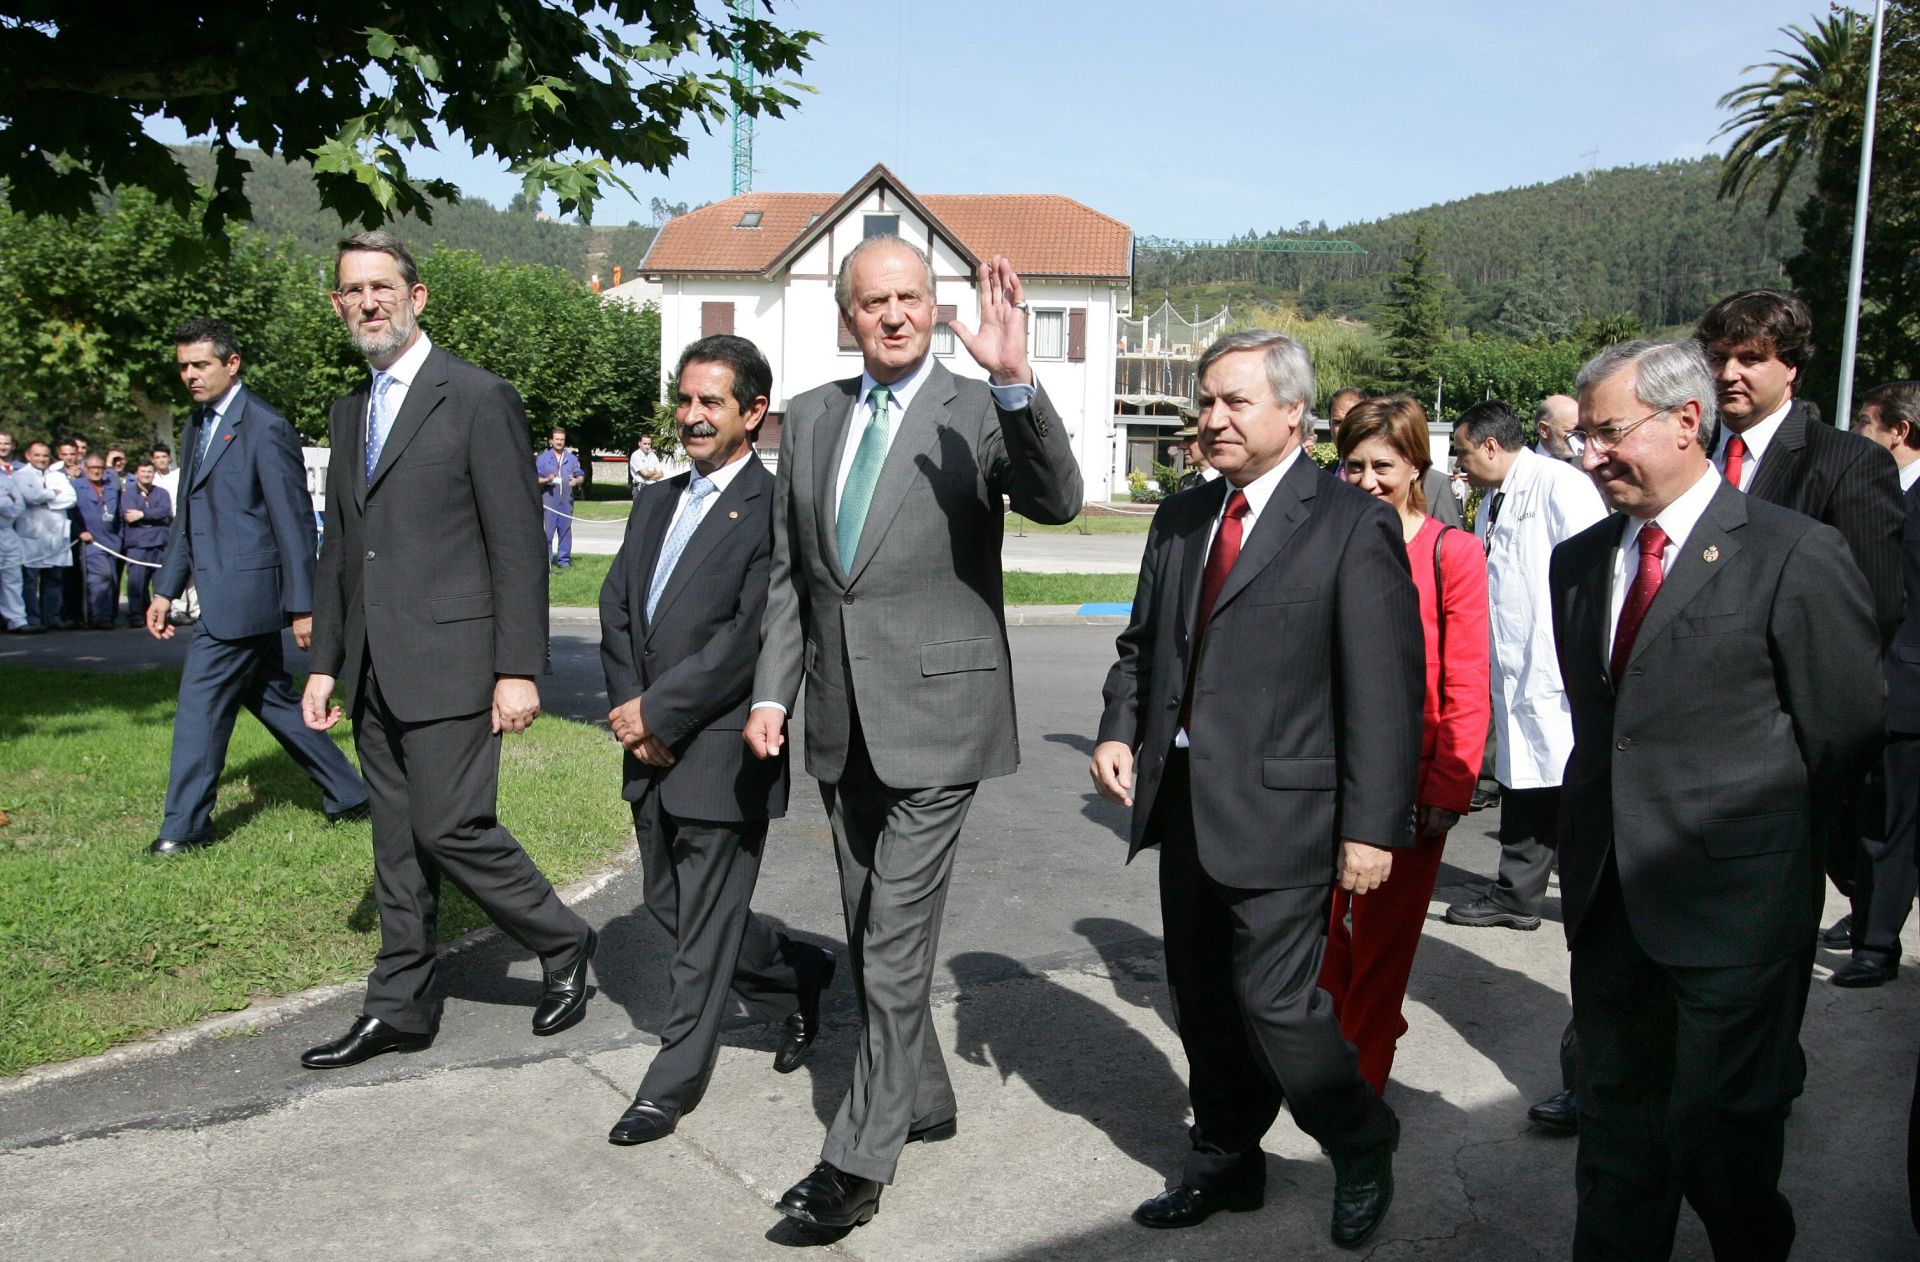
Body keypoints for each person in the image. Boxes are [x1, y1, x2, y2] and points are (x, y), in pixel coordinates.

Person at [742, 237, 1082, 1230]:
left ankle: (858, 1157)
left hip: (941, 715)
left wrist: (1016, 381)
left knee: (890, 941)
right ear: (847, 316)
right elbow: (790, 578)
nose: (893, 314)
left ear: (934, 307)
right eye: (873, 301)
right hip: (843, 720)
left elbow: (1057, 500)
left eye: (910, 297)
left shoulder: (976, 409)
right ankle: (926, 1096)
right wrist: (774, 693)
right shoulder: (808, 419)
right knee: (865, 928)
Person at [1552, 339, 1881, 1259]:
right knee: (1617, 1140)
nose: (1592, 456)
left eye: (1610, 433)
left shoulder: (1793, 553)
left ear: (1686, 421)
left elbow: (1843, 731)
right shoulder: (1579, 562)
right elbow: (1602, 724)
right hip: (1614, 902)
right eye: (1585, 438)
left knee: (1722, 1139)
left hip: (1737, 912)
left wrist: (1768, 855)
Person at [1092, 330, 1420, 1248]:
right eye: (1206, 402)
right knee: (1200, 997)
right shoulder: (1185, 516)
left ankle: (1359, 1137)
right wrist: (1121, 728)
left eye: (1236, 402)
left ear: (1293, 413)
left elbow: (1386, 689)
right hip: (1184, 798)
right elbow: (1142, 648)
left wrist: (1371, 829)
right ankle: (1228, 1158)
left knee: (1278, 1003)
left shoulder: (1350, 521)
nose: (1213, 420)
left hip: (1291, 812)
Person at [300, 230, 596, 1067]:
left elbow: (516, 543)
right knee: (396, 846)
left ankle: (565, 940)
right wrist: (325, 660)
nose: (368, 302)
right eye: (352, 290)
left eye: (382, 287)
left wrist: (518, 669)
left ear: (416, 297)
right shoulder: (349, 409)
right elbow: (341, 548)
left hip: (456, 663)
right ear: (338, 305)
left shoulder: (476, 397)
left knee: (451, 827)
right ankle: (399, 1007)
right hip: (369, 670)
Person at [598, 333, 836, 1147]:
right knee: (669, 906)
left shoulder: (775, 510)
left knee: (699, 935)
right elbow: (617, 608)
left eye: (711, 403)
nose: (692, 417)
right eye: (686, 400)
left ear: (753, 412)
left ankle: (669, 1086)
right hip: (648, 744)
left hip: (722, 749)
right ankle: (796, 975)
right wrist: (632, 709)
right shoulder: (656, 499)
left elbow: (749, 637)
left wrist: (663, 714)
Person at [1697, 289, 1904, 944]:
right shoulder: (1682, 453)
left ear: (1790, 366)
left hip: (1776, 752)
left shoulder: (1844, 464)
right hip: (1676, 743)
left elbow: (1872, 614)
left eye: (1750, 358)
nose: (1729, 372)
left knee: (1757, 955)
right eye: (1720, 356)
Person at [145, 318, 369, 857]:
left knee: (199, 710)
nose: (190, 376)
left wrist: (303, 607)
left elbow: (293, 523)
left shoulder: (265, 425)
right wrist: (164, 589)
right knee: (270, 697)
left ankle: (184, 828)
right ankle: (349, 791)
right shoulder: (197, 425)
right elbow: (188, 518)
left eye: (201, 365)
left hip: (246, 601)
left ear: (232, 363)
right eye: (183, 367)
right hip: (221, 595)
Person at [1319, 395, 1490, 1093]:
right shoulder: (1325, 538)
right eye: (1352, 465)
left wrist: (1449, 788)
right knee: (1322, 940)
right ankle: (1335, 1053)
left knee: (1383, 949)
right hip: (1323, 776)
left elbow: (1468, 680)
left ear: (1417, 463)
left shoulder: (1454, 551)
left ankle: (1362, 1091)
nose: (1365, 480)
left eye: (1381, 466)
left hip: (1409, 789)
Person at [1444, 401, 1605, 933]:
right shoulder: (1494, 497)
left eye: (1465, 453)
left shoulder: (1560, 485)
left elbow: (1591, 572)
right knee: (1526, 783)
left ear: (1491, 445)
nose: (1461, 466)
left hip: (1555, 667)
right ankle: (1518, 895)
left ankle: (1579, 897)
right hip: (1515, 668)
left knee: (1565, 784)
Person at [1841, 380, 1920, 988]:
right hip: (1881, 681)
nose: (1858, 435)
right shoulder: (1882, 494)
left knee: (1887, 826)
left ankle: (1876, 945)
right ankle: (1869, 918)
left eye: (1866, 424)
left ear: (1899, 431)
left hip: (1907, 686)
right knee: (1870, 820)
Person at [17, 440, 74, 631]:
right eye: (37, 455)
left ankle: (52, 617)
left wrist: (46, 500)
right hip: (31, 537)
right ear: (28, 456)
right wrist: (53, 494)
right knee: (30, 581)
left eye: (45, 455)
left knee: (54, 579)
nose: (42, 459)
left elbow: (71, 498)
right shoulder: (20, 476)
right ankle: (33, 618)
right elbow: (30, 497)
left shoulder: (57, 476)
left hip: (55, 538)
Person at [69, 454, 121, 628]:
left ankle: (109, 614)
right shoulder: (76, 486)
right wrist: (79, 532)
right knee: (101, 575)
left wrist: (121, 537)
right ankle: (98, 616)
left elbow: (119, 515)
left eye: (99, 468)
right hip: (90, 542)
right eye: (92, 468)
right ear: (85, 469)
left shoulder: (112, 487)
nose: (96, 471)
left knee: (112, 579)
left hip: (112, 542)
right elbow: (70, 513)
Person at [120, 457, 173, 623]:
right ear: (136, 473)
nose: (146, 475)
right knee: (137, 583)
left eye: (149, 471)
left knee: (160, 584)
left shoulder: (162, 493)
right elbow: (129, 516)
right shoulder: (128, 494)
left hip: (159, 544)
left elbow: (165, 512)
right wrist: (153, 516)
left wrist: (142, 514)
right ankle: (136, 615)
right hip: (138, 546)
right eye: (143, 471)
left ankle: (159, 615)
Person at [536, 426, 584, 569]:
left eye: (562, 440)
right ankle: (547, 561)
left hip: (566, 500)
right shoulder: (543, 458)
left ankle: (564, 561)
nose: (559, 442)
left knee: (565, 531)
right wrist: (547, 479)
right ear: (551, 440)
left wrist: (577, 481)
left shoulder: (571, 458)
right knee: (548, 532)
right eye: (557, 439)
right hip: (550, 500)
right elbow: (535, 479)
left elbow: (580, 475)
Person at [0, 431, 24, 632]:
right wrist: (8, 502)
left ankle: (16, 619)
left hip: (7, 530)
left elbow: (19, 504)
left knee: (12, 576)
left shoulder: (7, 476)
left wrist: (8, 503)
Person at [1534, 394, 1583, 463]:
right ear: (1544, 429)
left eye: (1581, 431)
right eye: (1571, 432)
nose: (1578, 439)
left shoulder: (1586, 466)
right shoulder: (1520, 461)